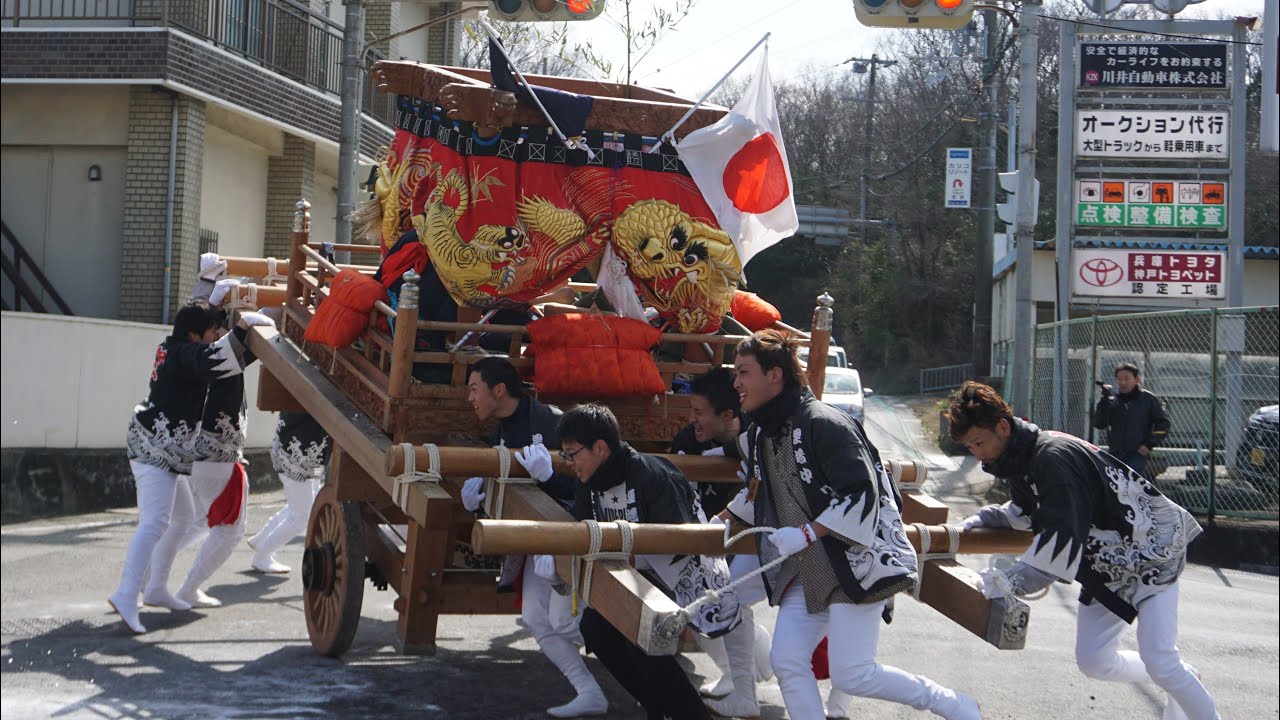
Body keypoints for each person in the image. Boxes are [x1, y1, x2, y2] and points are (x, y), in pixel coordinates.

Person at [721, 329, 980, 720]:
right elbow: (757, 486)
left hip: (859, 560)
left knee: (854, 673)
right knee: (787, 659)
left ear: (774, 375)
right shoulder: (761, 431)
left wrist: (807, 532)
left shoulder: (825, 423)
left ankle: (954, 704)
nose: (736, 383)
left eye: (743, 372)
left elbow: (862, 494)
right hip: (809, 566)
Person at [947, 381, 1215, 720]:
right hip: (1110, 562)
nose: (977, 453)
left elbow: (1059, 539)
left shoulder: (1052, 457)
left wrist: (1012, 581)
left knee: (1160, 660)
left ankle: (1181, 682)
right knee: (1095, 660)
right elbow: (1027, 512)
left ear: (1002, 427)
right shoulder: (1021, 459)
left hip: (1152, 550)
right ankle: (1183, 676)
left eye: (978, 442)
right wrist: (988, 518)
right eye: (969, 446)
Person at [558, 403, 740, 720]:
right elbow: (585, 529)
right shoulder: (588, 481)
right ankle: (656, 708)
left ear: (600, 448)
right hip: (630, 577)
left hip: (680, 575)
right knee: (594, 628)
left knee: (642, 636)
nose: (570, 463)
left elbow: (680, 544)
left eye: (573, 454)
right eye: (566, 456)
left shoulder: (653, 475)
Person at [458, 357, 607, 719]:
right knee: (535, 617)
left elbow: (588, 487)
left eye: (474, 389)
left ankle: (641, 656)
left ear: (498, 390)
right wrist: (479, 502)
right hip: (538, 540)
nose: (469, 398)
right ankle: (589, 692)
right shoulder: (500, 431)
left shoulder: (551, 422)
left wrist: (550, 478)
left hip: (571, 534)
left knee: (564, 622)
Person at [110, 300, 263, 633]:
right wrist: (244, 328)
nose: (215, 335)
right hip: (154, 449)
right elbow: (216, 358)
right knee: (154, 523)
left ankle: (155, 589)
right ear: (194, 335)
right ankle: (126, 594)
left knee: (182, 518)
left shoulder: (177, 348)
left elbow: (226, 361)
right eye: (211, 331)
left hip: (164, 448)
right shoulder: (184, 354)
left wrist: (253, 336)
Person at [245, 412, 331, 573]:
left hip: (303, 452)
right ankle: (262, 556)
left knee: (302, 506)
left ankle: (261, 539)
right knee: (303, 516)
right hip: (299, 456)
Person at [1093, 362, 1171, 476]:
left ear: (1136, 379)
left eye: (1127, 379)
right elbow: (1099, 424)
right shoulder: (1113, 401)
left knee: (1133, 481)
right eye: (1119, 379)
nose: (1123, 382)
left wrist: (1149, 444)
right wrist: (1104, 402)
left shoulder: (1148, 400)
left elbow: (1163, 425)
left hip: (1137, 454)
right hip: (1115, 453)